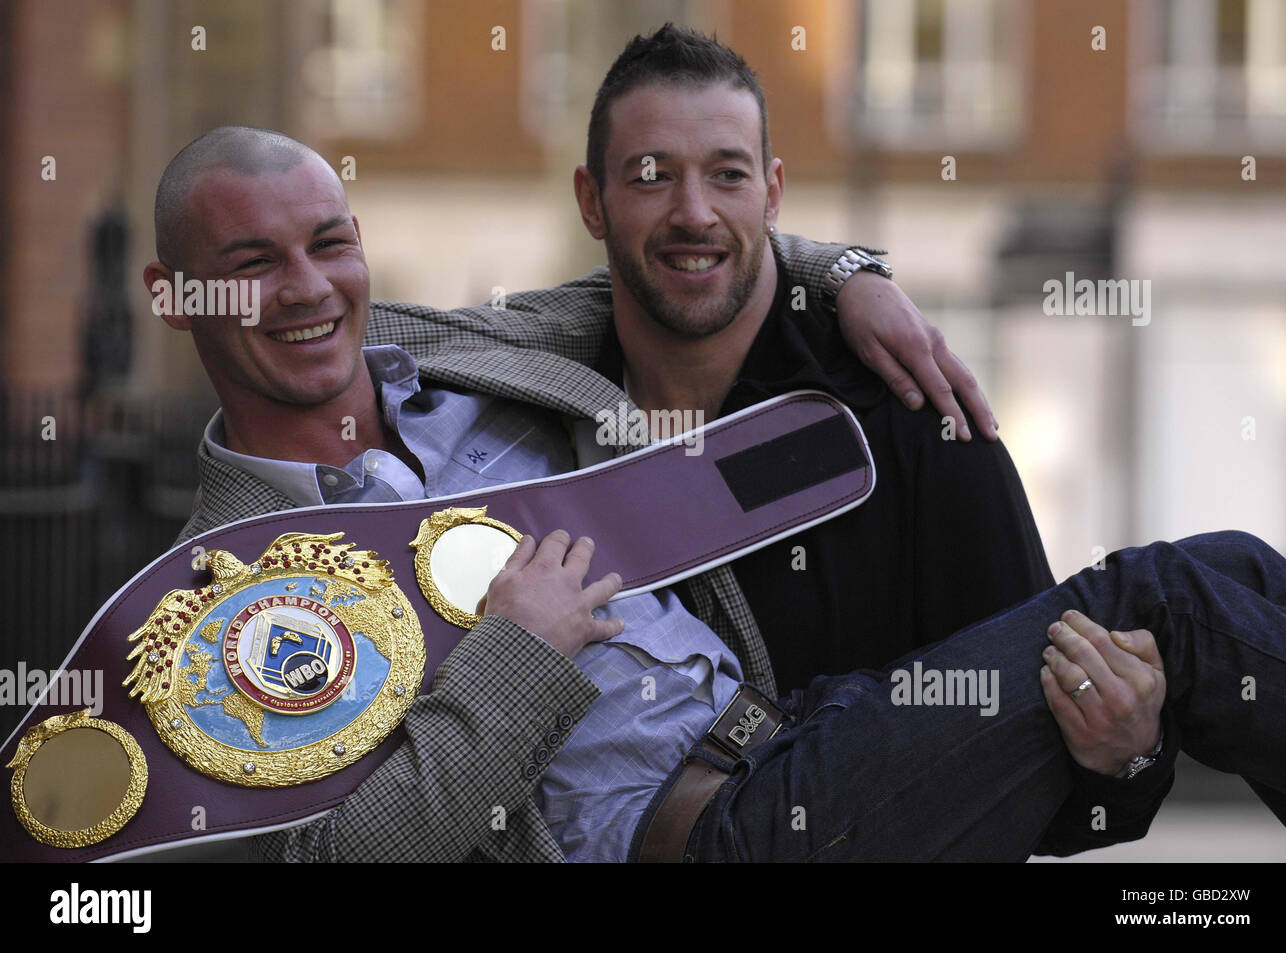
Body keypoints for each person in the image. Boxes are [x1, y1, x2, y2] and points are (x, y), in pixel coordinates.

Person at [144, 126, 979, 861]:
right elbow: (329, 858)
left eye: (328, 245)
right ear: (174, 295)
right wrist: (520, 654)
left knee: (1076, 667)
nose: (307, 288)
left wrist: (849, 276)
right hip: (700, 834)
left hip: (795, 728)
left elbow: (664, 268)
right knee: (1086, 631)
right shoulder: (209, 594)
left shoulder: (431, 342)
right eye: (253, 264)